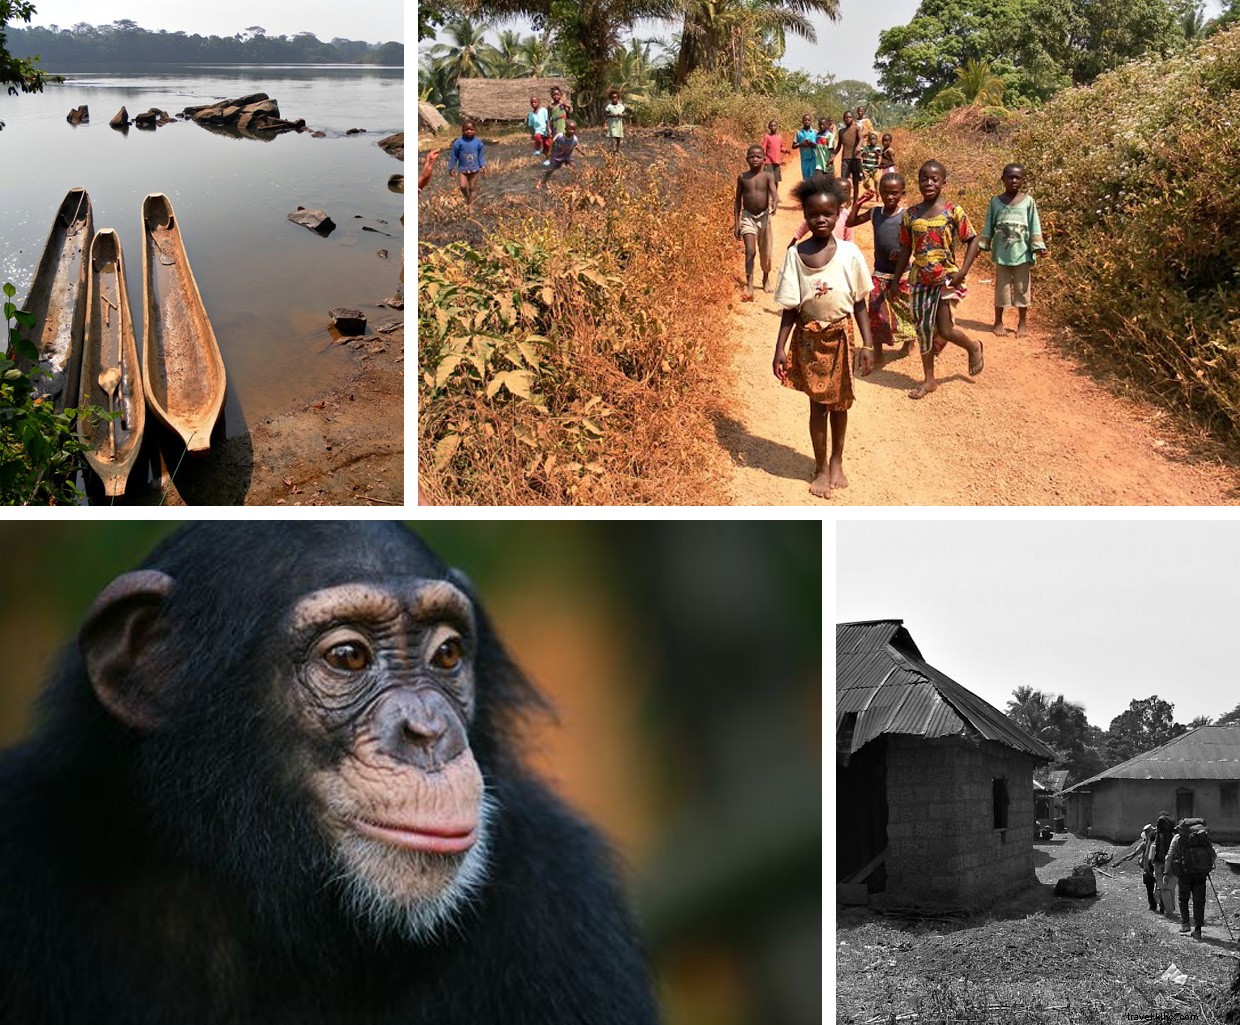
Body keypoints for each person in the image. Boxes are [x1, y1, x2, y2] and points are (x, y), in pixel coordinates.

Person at [772, 174, 878, 499]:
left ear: (838, 213)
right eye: (814, 214)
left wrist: (869, 343)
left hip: (842, 335)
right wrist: (779, 349)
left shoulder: (850, 254)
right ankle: (819, 467)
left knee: (840, 403)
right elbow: (790, 307)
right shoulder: (795, 256)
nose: (821, 219)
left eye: (828, 214)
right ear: (804, 214)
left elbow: (860, 301)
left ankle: (836, 460)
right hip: (809, 338)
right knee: (817, 405)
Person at [885, 159, 984, 399]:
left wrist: (962, 272)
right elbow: (905, 250)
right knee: (924, 329)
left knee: (946, 329)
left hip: (946, 280)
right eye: (924, 179)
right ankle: (929, 380)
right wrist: (895, 281)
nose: (928, 183)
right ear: (918, 182)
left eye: (934, 179)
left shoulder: (953, 211)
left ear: (943, 182)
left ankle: (973, 346)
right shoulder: (910, 215)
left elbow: (974, 240)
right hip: (919, 281)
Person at [847, 172, 916, 360]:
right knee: (875, 313)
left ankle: (909, 341)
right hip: (880, 271)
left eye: (895, 193)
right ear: (879, 192)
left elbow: (912, 244)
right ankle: (876, 350)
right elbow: (850, 222)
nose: (890, 197)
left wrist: (901, 252)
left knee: (906, 311)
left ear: (902, 193)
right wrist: (858, 204)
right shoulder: (875, 213)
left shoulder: (907, 216)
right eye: (885, 192)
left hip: (902, 274)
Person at [979, 162, 1047, 337]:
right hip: (1002, 253)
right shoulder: (995, 202)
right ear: (1003, 179)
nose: (1013, 180)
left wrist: (1038, 246)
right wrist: (984, 243)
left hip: (1022, 253)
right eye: (1010, 177)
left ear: (1023, 180)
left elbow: (1034, 225)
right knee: (1001, 288)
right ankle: (998, 322)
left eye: (1017, 177)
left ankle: (1022, 323)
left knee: (1022, 289)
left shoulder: (1028, 202)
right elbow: (989, 224)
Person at [734, 144, 779, 300]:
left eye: (758, 156)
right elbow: (737, 201)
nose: (755, 159)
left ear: (764, 160)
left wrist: (775, 201)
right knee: (750, 251)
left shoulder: (768, 176)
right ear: (747, 159)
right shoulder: (742, 177)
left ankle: (766, 277)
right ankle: (749, 284)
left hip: (764, 217)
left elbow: (773, 191)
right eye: (752, 156)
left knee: (765, 252)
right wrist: (736, 222)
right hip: (747, 217)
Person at [1175, 818, 1216, 941]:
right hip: (1201, 873)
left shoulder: (1179, 839)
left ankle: (1185, 924)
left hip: (1185, 873)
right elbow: (1213, 855)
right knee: (1199, 901)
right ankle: (1197, 930)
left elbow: (1173, 854)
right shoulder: (1203, 839)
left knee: (1183, 899)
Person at [447, 120, 485, 209]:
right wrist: (451, 167)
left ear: (475, 130)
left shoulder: (478, 143)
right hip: (462, 169)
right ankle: (468, 198)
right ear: (462, 131)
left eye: (471, 129)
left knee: (472, 188)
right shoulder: (458, 142)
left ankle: (471, 207)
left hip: (474, 169)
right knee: (463, 186)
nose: (469, 131)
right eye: (466, 129)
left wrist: (482, 165)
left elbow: (481, 156)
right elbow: (454, 156)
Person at [537, 120, 582, 189]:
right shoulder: (560, 136)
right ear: (565, 129)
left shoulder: (575, 138)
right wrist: (550, 151)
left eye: (574, 129)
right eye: (570, 129)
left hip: (567, 156)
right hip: (557, 156)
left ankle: (576, 183)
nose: (572, 131)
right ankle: (543, 182)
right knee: (550, 170)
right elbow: (552, 142)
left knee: (573, 167)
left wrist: (581, 152)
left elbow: (576, 146)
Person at [834, 111, 863, 206]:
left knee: (855, 181)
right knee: (843, 181)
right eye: (846, 117)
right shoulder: (841, 131)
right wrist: (833, 157)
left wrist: (858, 146)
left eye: (849, 117)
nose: (848, 119)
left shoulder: (857, 128)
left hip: (855, 158)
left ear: (852, 118)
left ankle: (855, 200)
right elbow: (839, 146)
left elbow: (861, 139)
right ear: (843, 119)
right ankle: (847, 200)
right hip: (845, 158)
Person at [1153, 812, 1176, 915]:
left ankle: (1169, 911)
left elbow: (1152, 853)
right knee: (1171, 887)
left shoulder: (1157, 835)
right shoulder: (1175, 836)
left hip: (1159, 863)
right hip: (1173, 863)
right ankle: (1172, 907)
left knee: (1163, 887)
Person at [1138, 822, 1161, 912]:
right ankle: (1163, 905)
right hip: (1159, 863)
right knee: (1160, 886)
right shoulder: (1159, 836)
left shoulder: (1149, 839)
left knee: (1149, 886)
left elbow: (1147, 854)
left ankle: (1152, 905)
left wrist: (1145, 865)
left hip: (1151, 865)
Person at [546, 85, 573, 160]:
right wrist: (548, 128)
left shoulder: (563, 105)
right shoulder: (550, 106)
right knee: (556, 141)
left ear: (560, 95)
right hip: (555, 125)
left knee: (563, 140)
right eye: (554, 95)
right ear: (551, 96)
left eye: (557, 94)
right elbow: (547, 118)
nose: (556, 96)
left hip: (563, 124)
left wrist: (567, 106)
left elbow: (570, 112)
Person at [793, 114, 818, 181]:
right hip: (804, 159)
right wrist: (801, 144)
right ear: (802, 121)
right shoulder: (798, 133)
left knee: (813, 178)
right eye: (805, 120)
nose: (807, 121)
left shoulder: (815, 132)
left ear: (811, 121)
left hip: (813, 159)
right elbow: (793, 146)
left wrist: (810, 143)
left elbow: (817, 146)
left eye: (808, 120)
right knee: (805, 179)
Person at [762, 120, 786, 186]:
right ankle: (768, 195)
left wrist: (785, 150)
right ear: (769, 127)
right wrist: (763, 157)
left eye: (774, 126)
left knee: (776, 181)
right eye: (771, 126)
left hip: (777, 162)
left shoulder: (779, 137)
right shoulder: (767, 137)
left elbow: (781, 147)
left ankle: (774, 195)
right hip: (769, 162)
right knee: (768, 181)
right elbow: (764, 148)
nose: (773, 127)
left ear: (777, 127)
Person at [604, 89, 626, 154]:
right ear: (610, 98)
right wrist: (612, 115)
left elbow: (625, 113)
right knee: (613, 135)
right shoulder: (609, 106)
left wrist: (621, 115)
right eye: (612, 98)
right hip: (612, 124)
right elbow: (606, 114)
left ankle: (617, 149)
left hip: (619, 124)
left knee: (618, 136)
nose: (614, 99)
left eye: (615, 98)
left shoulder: (621, 106)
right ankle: (614, 149)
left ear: (618, 98)